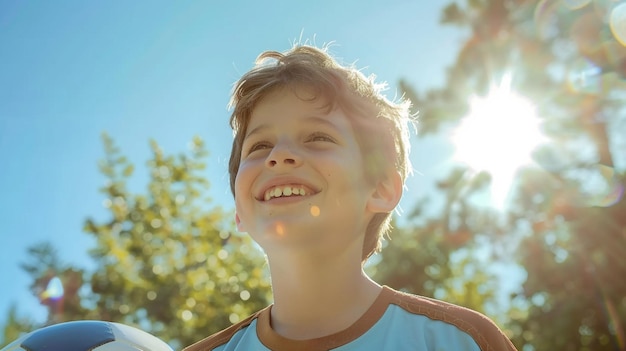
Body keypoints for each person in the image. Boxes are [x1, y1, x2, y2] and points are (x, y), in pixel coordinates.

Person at [184, 44, 518, 351]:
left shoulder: (460, 341)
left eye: (317, 137)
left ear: (380, 189)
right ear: (239, 211)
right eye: (259, 146)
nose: (279, 155)